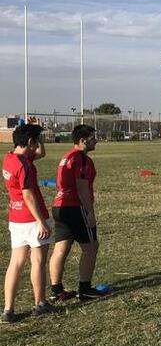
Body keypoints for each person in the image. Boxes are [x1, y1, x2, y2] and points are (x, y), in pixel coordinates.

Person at [48, 124, 108, 302]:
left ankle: (56, 290)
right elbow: (81, 187)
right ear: (83, 141)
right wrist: (90, 212)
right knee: (91, 247)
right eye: (92, 138)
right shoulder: (81, 159)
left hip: (59, 206)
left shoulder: (67, 156)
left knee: (61, 247)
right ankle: (85, 288)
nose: (96, 141)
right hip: (75, 207)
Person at [1, 124, 55, 322]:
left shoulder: (10, 158)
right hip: (32, 219)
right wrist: (41, 221)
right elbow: (28, 195)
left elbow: (40, 153)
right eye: (36, 141)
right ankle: (40, 303)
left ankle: (8, 310)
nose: (38, 146)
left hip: (15, 219)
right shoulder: (23, 165)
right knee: (38, 261)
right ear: (30, 142)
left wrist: (34, 136)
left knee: (15, 263)